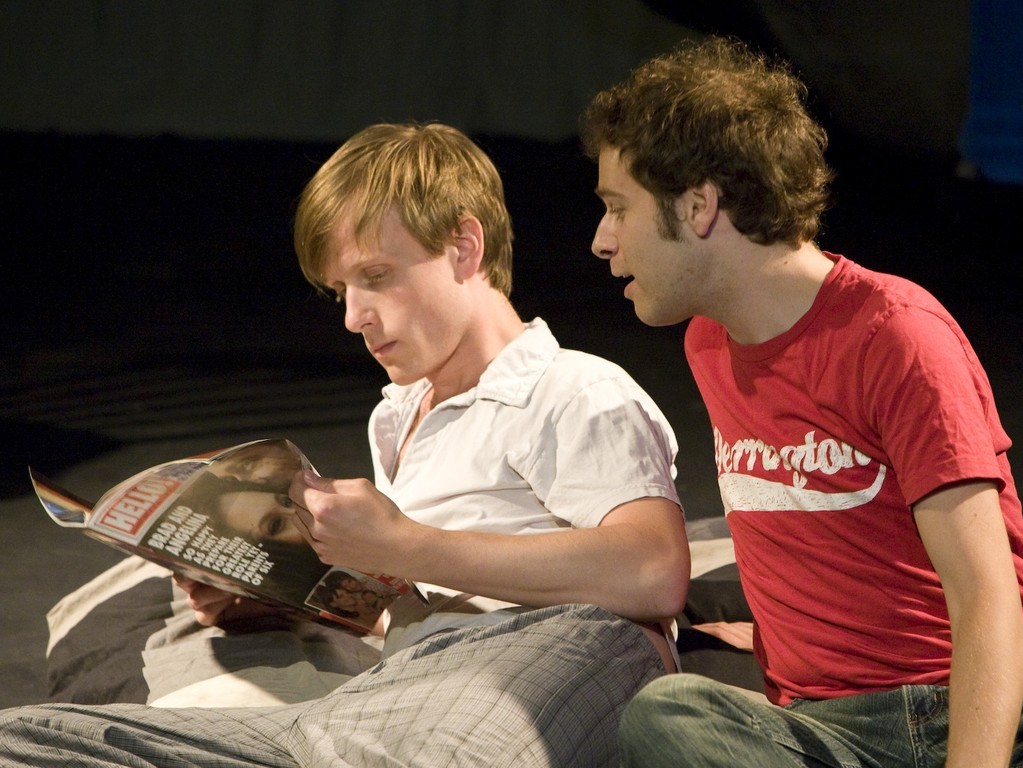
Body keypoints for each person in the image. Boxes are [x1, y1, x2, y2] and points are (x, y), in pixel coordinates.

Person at [0, 122, 690, 767]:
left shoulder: (571, 387)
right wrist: (285, 591)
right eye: (341, 292)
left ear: (464, 247)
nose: (355, 317)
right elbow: (423, 592)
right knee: (27, 738)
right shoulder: (400, 415)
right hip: (388, 697)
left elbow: (654, 572)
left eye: (377, 276)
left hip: (527, 666)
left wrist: (404, 544)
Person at [580, 36, 1023, 767]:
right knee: (669, 714)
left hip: (984, 716)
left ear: (698, 205)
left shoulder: (895, 334)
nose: (602, 241)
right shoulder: (708, 343)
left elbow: (984, 596)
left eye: (617, 208)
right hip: (829, 733)